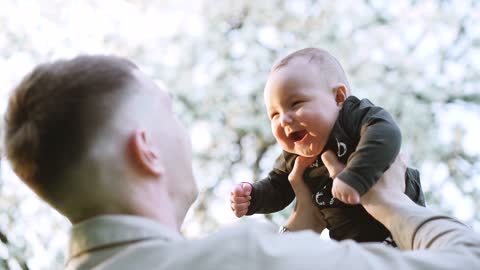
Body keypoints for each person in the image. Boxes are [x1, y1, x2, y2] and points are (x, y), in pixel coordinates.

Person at [3, 55, 480, 270]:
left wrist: (301, 224)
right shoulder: (246, 258)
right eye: (171, 112)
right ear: (146, 149)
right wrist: (393, 204)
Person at [230, 47, 425, 243]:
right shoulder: (294, 157)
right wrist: (253, 198)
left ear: (339, 97)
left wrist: (355, 177)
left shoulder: (351, 118)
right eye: (274, 115)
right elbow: (277, 187)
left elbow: (385, 131)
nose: (284, 120)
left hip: (400, 229)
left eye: (296, 103)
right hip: (353, 247)